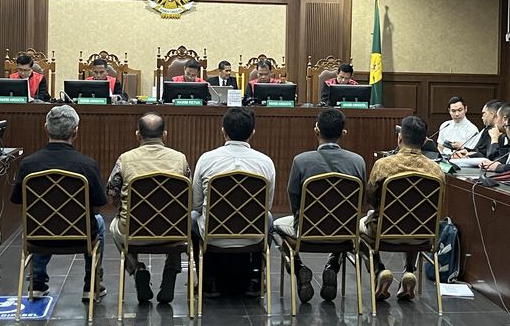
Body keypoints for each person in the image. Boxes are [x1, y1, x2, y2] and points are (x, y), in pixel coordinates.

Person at [10, 105, 107, 301]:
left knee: (38, 218)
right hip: (80, 236)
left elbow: (18, 200)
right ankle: (91, 285)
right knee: (99, 222)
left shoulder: (28, 164)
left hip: (38, 237)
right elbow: (98, 205)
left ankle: (37, 283)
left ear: (46, 128)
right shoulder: (87, 165)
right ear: (75, 132)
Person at [273, 108, 366, 303]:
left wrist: (300, 220)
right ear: (343, 133)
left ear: (316, 130)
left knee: (274, 226)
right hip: (345, 232)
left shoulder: (301, 161)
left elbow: (294, 197)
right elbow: (361, 198)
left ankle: (299, 268)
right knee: (342, 219)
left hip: (307, 231)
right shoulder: (358, 162)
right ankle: (333, 265)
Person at [106, 112, 190, 304]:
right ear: (165, 135)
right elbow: (188, 197)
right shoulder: (180, 160)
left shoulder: (124, 160)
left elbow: (112, 195)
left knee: (114, 227)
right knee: (177, 218)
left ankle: (137, 269)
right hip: (173, 233)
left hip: (134, 231)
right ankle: (171, 268)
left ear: (138, 135)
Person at [191, 107, 275, 296]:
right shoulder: (266, 162)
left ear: (223, 131)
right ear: (252, 133)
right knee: (269, 218)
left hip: (212, 235)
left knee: (192, 217)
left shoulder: (206, 160)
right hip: (253, 235)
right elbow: (266, 206)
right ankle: (255, 279)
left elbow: (196, 204)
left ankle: (208, 280)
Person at [363, 116, 445, 302]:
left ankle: (379, 271)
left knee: (359, 232)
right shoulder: (436, 170)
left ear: (399, 137)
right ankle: (409, 271)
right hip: (423, 234)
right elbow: (437, 205)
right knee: (415, 217)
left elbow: (371, 199)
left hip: (384, 231)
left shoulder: (383, 165)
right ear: (425, 141)